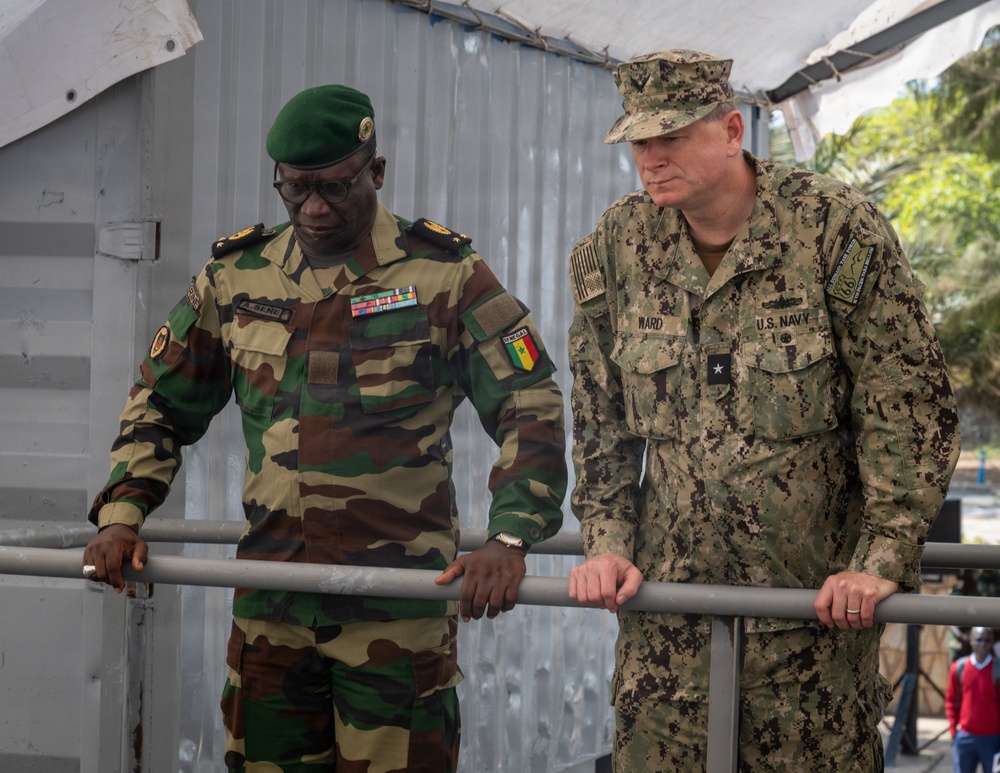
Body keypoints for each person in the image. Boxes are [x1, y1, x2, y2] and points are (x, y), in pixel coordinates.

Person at [82, 84, 566, 772]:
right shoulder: (235, 277)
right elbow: (160, 403)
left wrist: (510, 536)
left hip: (396, 615)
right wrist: (122, 515)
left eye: (335, 187)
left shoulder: (445, 276)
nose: (314, 208)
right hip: (272, 613)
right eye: (295, 188)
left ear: (376, 172)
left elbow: (529, 400)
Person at [566, 50, 961, 771]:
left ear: (731, 130)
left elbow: (908, 406)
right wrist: (607, 539)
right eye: (638, 141)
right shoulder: (620, 244)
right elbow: (600, 418)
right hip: (669, 636)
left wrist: (881, 559)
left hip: (813, 628)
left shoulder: (832, 228)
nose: (650, 159)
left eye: (670, 136)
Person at [946, 627, 1000, 773]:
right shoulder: (959, 667)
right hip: (965, 737)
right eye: (979, 639)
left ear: (991, 643)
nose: (982, 644)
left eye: (987, 640)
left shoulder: (997, 669)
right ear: (971, 640)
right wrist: (954, 731)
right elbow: (951, 700)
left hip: (993, 739)